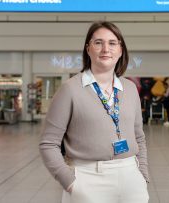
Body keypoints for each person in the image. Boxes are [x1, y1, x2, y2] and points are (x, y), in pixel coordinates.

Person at [39, 21, 149, 203]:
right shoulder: (70, 89)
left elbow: (139, 137)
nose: (106, 48)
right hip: (88, 178)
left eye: (112, 43)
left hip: (130, 176)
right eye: (98, 42)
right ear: (88, 49)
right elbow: (48, 144)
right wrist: (71, 183)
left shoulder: (129, 88)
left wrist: (142, 175)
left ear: (121, 50)